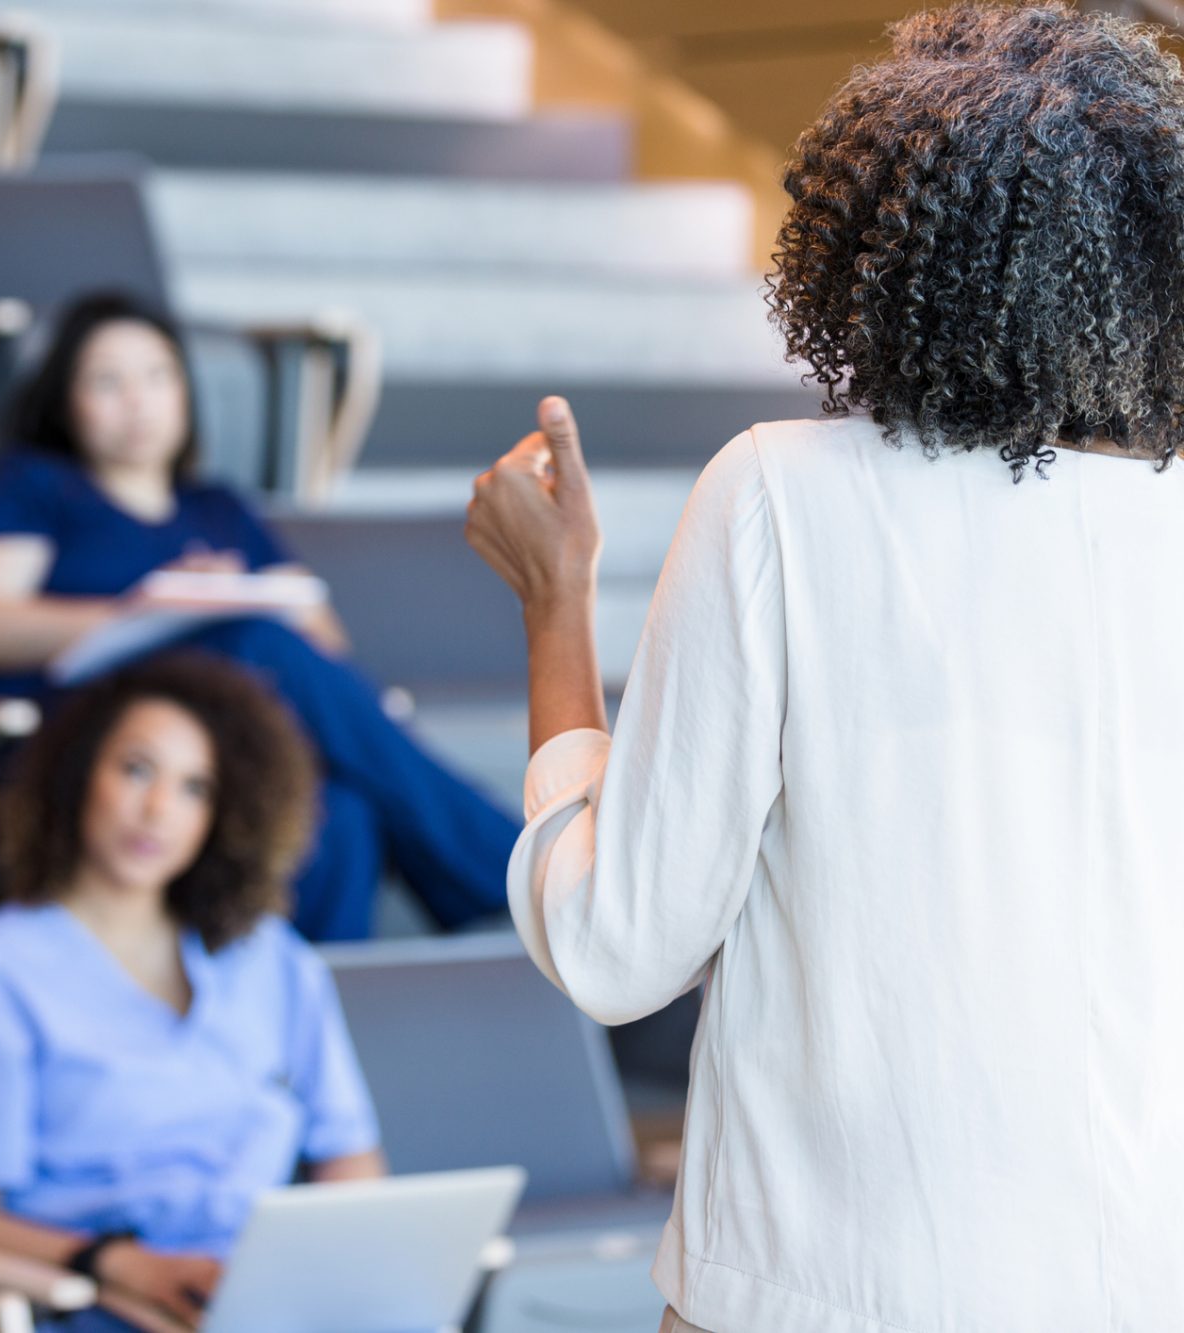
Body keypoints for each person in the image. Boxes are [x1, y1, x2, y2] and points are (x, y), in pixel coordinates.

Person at [466, 7, 1184, 1332]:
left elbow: (619, 941)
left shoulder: (785, 498)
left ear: (878, 249)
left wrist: (555, 601)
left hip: (818, 1288)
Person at [0, 290, 519, 941]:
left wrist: (229, 594)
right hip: (89, 723)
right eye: (107, 381)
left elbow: (324, 639)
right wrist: (145, 607)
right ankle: (509, 875)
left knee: (345, 811)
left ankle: (317, 1012)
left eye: (157, 378)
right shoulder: (37, 485)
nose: (137, 400)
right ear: (65, 400)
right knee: (253, 640)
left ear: (185, 394)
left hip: (220, 731)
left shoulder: (218, 507)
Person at [0, 657, 385, 1333]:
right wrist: (115, 1264)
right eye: (136, 769)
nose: (158, 809)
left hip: (269, 1295)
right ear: (78, 775)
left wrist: (336, 1273)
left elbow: (349, 1154)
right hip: (106, 1296)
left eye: (195, 787)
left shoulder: (272, 959)